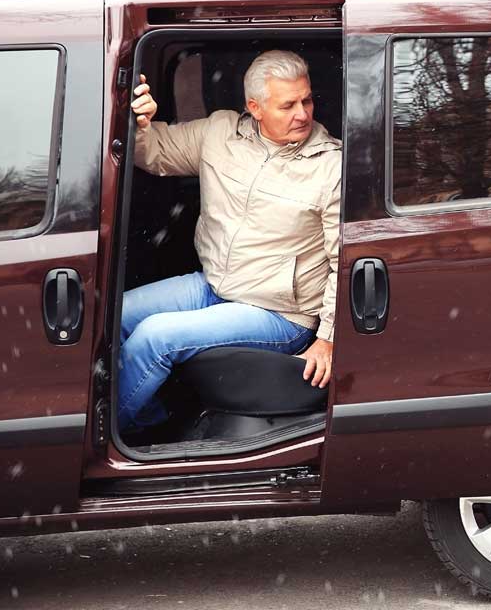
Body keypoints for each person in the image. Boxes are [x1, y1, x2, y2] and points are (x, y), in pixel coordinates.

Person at [118, 50, 341, 435]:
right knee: (113, 315)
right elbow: (152, 153)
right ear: (254, 107)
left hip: (279, 314)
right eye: (287, 105)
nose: (303, 114)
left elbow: (347, 258)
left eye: (306, 100)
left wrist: (328, 339)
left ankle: (103, 443)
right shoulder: (220, 133)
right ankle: (150, 420)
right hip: (215, 285)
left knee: (154, 338)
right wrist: (140, 122)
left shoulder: (330, 165)